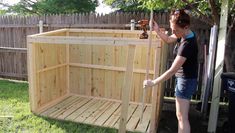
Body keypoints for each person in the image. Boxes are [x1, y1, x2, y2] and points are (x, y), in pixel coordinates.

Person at [143, 9, 198, 133]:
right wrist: (157, 30)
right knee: (181, 117)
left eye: (176, 30)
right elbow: (168, 39)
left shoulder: (187, 44)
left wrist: (153, 83)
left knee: (182, 117)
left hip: (186, 81)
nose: (173, 32)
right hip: (185, 79)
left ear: (186, 27)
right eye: (172, 29)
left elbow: (172, 70)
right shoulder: (184, 33)